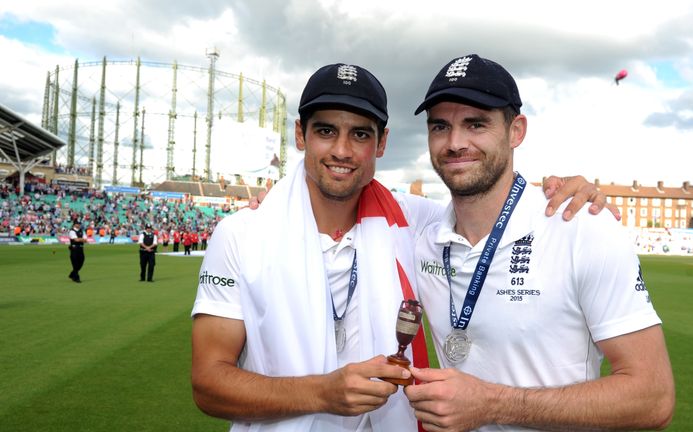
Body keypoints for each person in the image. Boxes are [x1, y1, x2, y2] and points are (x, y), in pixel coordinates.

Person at [190, 62, 613, 432]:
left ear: (382, 143)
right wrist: (322, 393)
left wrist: (563, 192)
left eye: (359, 134)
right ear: (301, 135)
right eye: (325, 131)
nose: (341, 150)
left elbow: (488, 204)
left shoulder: (416, 221)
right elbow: (209, 386)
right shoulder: (244, 234)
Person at [405, 54, 675, 431]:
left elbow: (654, 397)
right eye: (440, 126)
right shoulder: (421, 232)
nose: (455, 142)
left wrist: (492, 404)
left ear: (516, 131)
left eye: (476, 123)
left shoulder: (581, 227)